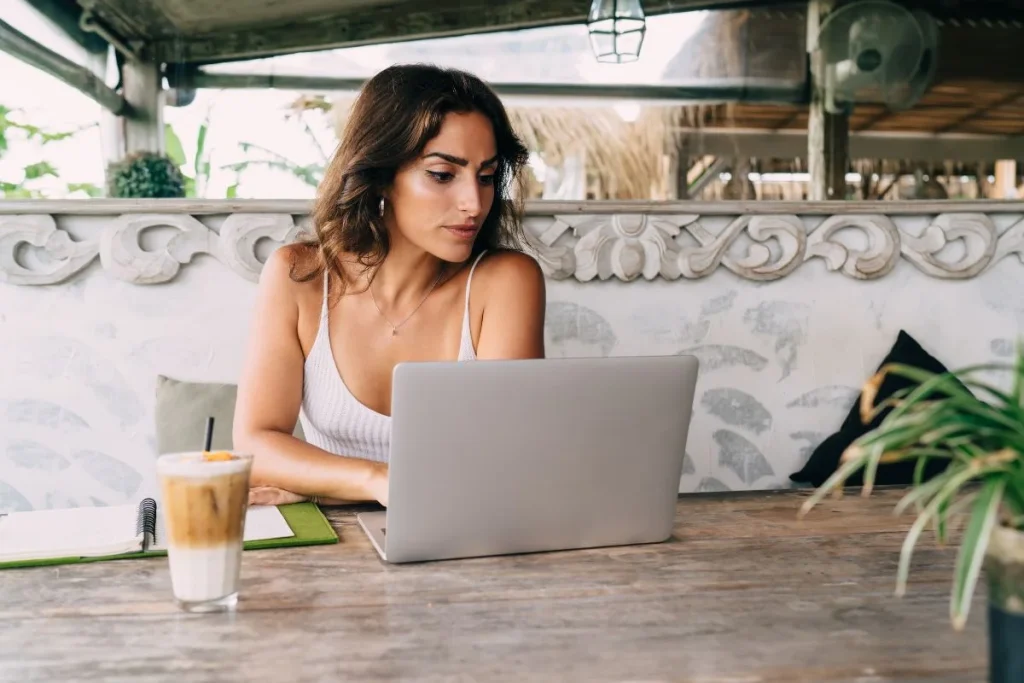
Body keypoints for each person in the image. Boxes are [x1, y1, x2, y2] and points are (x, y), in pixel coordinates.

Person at [233, 64, 547, 507]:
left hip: (463, 539)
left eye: (486, 176)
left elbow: (504, 462)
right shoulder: (298, 277)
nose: (473, 203)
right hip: (330, 552)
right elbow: (254, 445)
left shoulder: (505, 283)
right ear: (381, 174)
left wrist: (322, 485)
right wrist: (376, 482)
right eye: (442, 174)